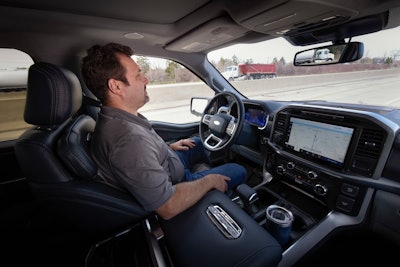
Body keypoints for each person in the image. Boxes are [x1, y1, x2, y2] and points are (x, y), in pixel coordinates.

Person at [81, 42, 247, 220]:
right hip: (176, 185)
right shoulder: (128, 140)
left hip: (168, 165)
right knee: (239, 170)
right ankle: (219, 196)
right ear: (116, 86)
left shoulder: (118, 119)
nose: (146, 80)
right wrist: (209, 181)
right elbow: (167, 205)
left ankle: (211, 179)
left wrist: (169, 148)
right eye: (138, 76)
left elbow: (143, 154)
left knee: (197, 143)